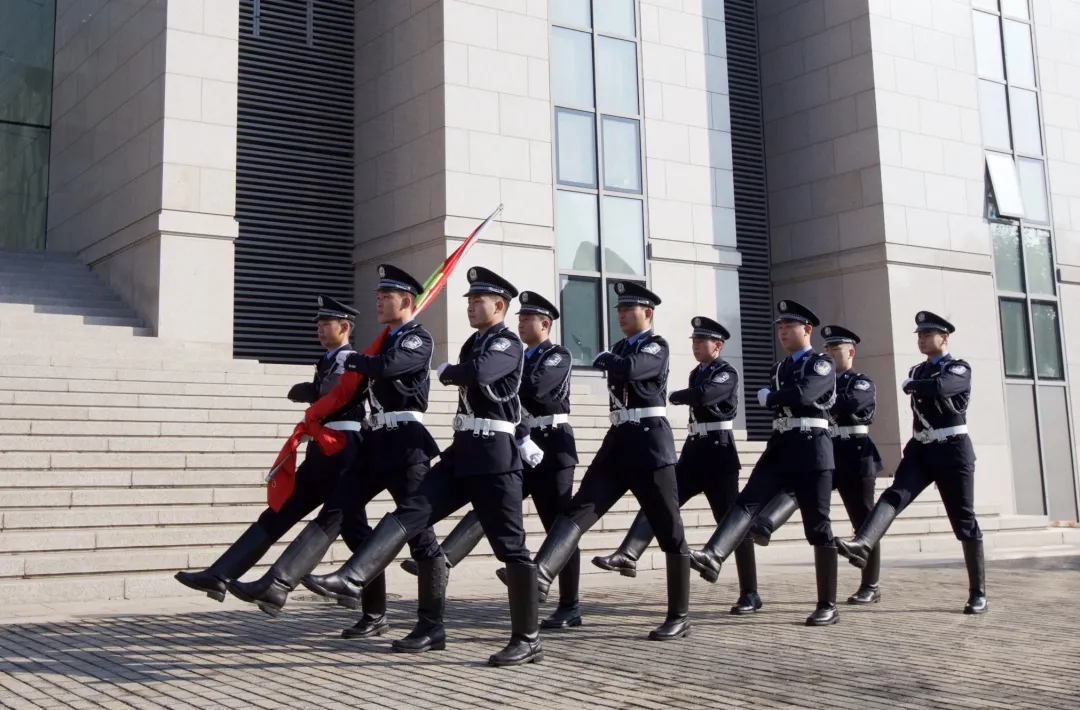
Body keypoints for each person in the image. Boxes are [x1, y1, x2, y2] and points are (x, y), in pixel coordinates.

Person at [300, 267, 544, 666]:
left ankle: (528, 637)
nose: (469, 306)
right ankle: (360, 580)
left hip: (496, 459)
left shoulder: (508, 343)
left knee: (511, 548)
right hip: (462, 450)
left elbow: (482, 375)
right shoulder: (475, 342)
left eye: (477, 300)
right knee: (412, 512)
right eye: (468, 300)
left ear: (499, 305)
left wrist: (450, 372)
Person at [227, 266, 440, 637]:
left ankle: (430, 624)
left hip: (407, 443)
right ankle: (278, 583)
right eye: (377, 296)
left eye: (385, 297)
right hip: (376, 440)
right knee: (337, 509)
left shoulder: (416, 338)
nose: (378, 302)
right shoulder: (385, 341)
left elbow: (391, 368)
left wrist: (354, 361)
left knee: (421, 539)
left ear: (406, 301)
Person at [399, 291, 582, 630]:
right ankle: (449, 558)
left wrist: (498, 374)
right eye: (521, 319)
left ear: (545, 324)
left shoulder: (557, 355)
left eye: (529, 319)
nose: (522, 324)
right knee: (490, 506)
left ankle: (569, 604)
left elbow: (535, 387)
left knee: (558, 525)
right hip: (514, 442)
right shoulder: (513, 352)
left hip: (552, 447)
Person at [526, 282, 692, 641]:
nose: (620, 314)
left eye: (627, 309)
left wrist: (611, 359)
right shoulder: (621, 347)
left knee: (668, 527)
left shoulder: (656, 345)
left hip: (650, 442)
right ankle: (541, 574)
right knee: (579, 509)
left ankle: (679, 614)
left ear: (647, 313)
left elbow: (632, 370)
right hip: (618, 442)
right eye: (618, 309)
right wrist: (612, 357)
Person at [173, 296, 364, 603]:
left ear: (344, 327)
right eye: (318, 324)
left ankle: (372, 609)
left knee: (356, 533)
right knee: (279, 512)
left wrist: (314, 390)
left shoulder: (348, 359)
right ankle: (220, 574)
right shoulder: (328, 360)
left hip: (343, 452)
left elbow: (338, 392)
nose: (319, 329)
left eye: (325, 324)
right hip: (320, 451)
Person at [591, 316, 762, 615]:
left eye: (701, 341)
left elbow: (707, 395)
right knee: (658, 503)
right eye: (693, 341)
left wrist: (679, 395)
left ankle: (750, 592)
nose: (695, 346)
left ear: (718, 346)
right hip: (694, 454)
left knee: (732, 525)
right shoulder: (697, 372)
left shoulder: (726, 372)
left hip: (720, 456)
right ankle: (629, 553)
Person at [688, 300, 840, 626]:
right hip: (781, 446)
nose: (783, 332)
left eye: (789, 327)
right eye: (780, 327)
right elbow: (787, 398)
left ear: (807, 330)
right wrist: (775, 397)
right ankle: (713, 554)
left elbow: (805, 394)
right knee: (745, 502)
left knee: (818, 526)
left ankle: (828, 602)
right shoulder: (780, 368)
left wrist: (771, 397)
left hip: (813, 449)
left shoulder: (822, 363)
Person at [836, 311, 987, 614]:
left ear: (944, 338)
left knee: (964, 520)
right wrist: (914, 383)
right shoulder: (917, 370)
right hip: (922, 448)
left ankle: (978, 592)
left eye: (927, 334)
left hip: (953, 450)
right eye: (919, 335)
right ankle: (862, 543)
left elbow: (943, 387)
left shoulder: (958, 368)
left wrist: (914, 385)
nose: (921, 339)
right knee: (894, 494)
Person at [748, 325, 884, 604]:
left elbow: (851, 403)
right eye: (829, 349)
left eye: (838, 349)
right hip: (827, 446)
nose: (832, 354)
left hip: (855, 453)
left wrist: (810, 396)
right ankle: (766, 524)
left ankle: (870, 583)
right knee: (797, 490)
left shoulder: (860, 381)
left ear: (851, 352)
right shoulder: (819, 376)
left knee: (863, 518)